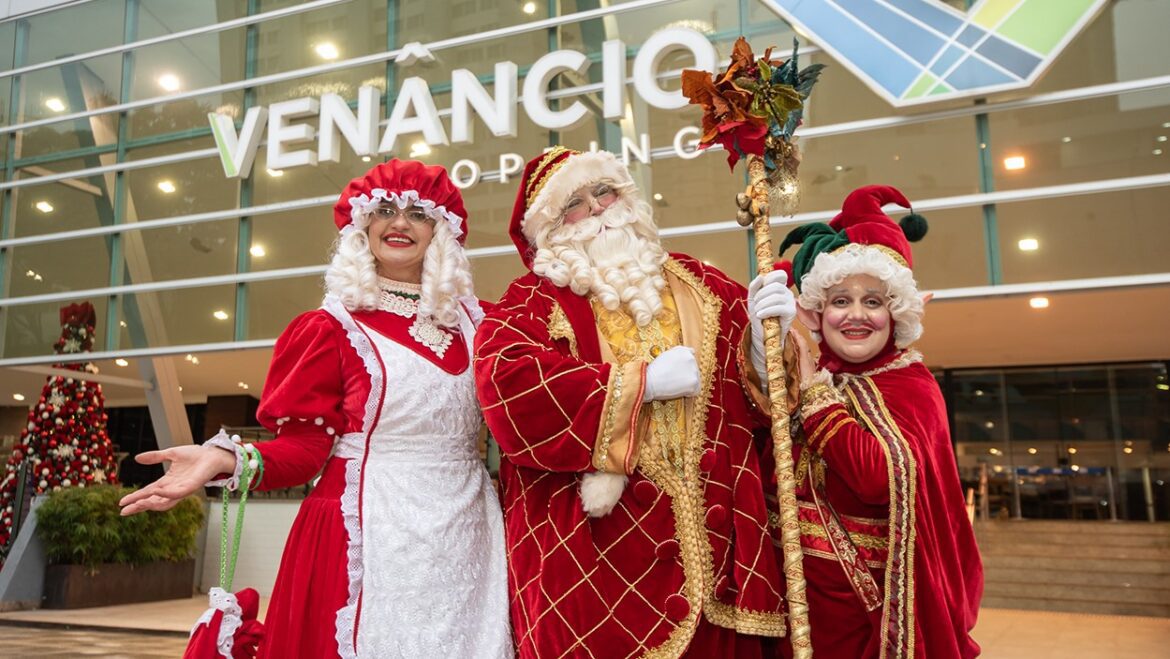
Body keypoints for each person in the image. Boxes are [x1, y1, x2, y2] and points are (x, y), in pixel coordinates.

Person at [119, 160, 513, 658]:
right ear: (362, 225)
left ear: (440, 229)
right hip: (362, 530)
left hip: (466, 531)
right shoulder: (330, 328)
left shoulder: (484, 325)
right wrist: (228, 459)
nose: (399, 222)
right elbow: (306, 450)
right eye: (385, 210)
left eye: (417, 212)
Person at [473, 146, 793, 658]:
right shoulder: (527, 303)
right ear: (550, 230)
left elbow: (766, 401)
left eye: (605, 191)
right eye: (575, 202)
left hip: (719, 550)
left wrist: (762, 339)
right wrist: (637, 383)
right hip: (591, 564)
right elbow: (508, 389)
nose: (598, 208)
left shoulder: (705, 286)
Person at [769, 185, 982, 658]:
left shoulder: (911, 385)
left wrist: (815, 394)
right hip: (795, 608)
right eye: (841, 300)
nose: (856, 315)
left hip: (873, 617)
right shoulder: (806, 379)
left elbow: (875, 476)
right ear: (816, 313)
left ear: (897, 312)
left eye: (873, 301)